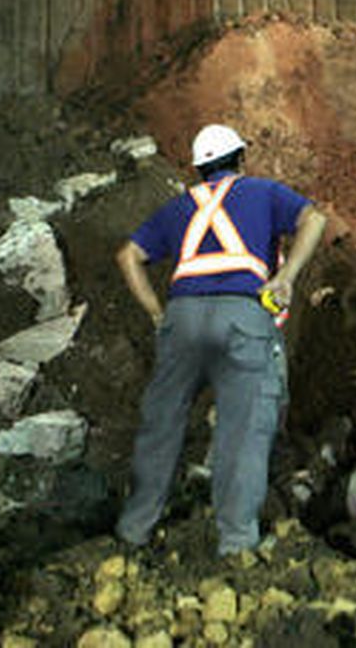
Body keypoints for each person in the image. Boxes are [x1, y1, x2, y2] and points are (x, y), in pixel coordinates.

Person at [114, 123, 327, 557]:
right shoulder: (264, 192)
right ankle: (235, 545)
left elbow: (128, 256)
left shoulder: (178, 207)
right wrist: (285, 277)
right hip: (242, 316)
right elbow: (315, 218)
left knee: (162, 424)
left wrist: (156, 313)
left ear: (198, 170)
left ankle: (133, 531)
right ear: (241, 161)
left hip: (182, 318)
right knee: (243, 427)